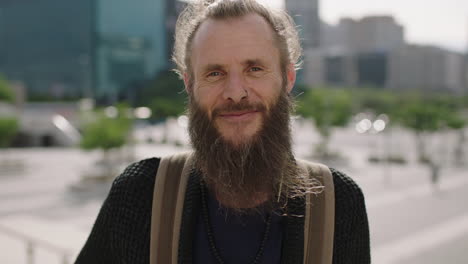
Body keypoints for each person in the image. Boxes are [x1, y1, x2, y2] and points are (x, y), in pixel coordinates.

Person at [75, 0, 370, 263]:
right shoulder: (139, 196)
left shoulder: (338, 204)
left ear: (287, 77)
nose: (235, 92)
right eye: (214, 73)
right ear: (190, 86)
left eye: (254, 68)